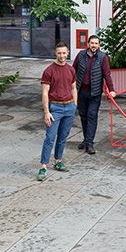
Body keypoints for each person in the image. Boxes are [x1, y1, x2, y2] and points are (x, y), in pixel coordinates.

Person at [40, 42, 78, 182]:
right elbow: (45, 92)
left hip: (69, 107)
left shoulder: (71, 70)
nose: (62, 55)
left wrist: (74, 105)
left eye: (64, 53)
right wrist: (46, 112)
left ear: (68, 52)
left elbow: (74, 88)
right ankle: (43, 166)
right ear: (55, 53)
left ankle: (57, 161)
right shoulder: (49, 71)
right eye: (59, 53)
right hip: (54, 108)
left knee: (63, 137)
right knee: (50, 138)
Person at [74, 35, 116, 155]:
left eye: (96, 43)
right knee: (83, 116)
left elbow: (107, 74)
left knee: (92, 116)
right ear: (88, 44)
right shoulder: (81, 55)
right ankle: (86, 139)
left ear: (99, 45)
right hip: (81, 92)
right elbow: (73, 70)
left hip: (95, 93)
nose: (94, 45)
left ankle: (90, 143)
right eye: (92, 43)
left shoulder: (102, 57)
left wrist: (111, 89)